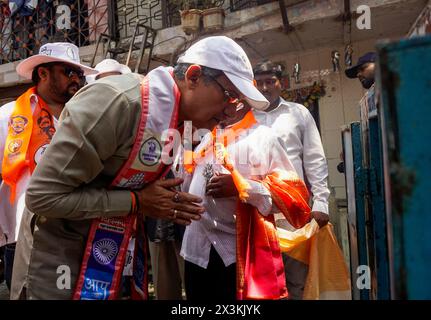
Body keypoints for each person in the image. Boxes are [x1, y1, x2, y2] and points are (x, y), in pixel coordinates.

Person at [10, 36, 269, 300]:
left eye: (237, 103)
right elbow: (43, 196)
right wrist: (137, 201)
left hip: (108, 251)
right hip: (59, 257)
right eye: (229, 96)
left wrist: (162, 200)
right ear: (193, 76)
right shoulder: (118, 103)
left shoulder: (174, 118)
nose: (229, 111)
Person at [180, 101, 311, 301]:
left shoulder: (263, 137)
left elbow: (293, 195)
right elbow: (185, 186)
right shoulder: (207, 137)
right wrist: (185, 148)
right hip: (196, 249)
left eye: (228, 96)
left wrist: (242, 187)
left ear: (242, 101)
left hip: (238, 251)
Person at [0, 42, 96, 293]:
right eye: (68, 72)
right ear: (43, 73)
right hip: (25, 237)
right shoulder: (8, 117)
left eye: (79, 74)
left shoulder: (88, 117)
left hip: (78, 231)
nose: (76, 79)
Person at [252, 60, 330, 299]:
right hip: (256, 211)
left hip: (294, 211)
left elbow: (315, 159)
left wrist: (321, 202)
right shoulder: (244, 115)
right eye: (260, 82)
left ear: (281, 83)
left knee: (297, 280)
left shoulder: (298, 113)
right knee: (264, 280)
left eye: (270, 81)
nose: (265, 88)